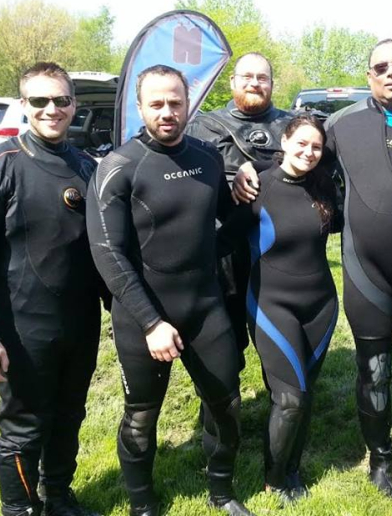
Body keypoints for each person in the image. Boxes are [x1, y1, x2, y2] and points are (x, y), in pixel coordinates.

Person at [235, 39, 392, 499]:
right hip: (365, 272)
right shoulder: (341, 124)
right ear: (369, 75)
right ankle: (380, 461)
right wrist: (243, 172)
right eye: (380, 67)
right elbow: (298, 160)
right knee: (373, 371)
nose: (391, 72)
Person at [86, 65, 254, 516]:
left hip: (204, 306)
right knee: (141, 416)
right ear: (140, 107)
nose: (167, 112)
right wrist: (151, 321)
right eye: (156, 103)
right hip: (143, 317)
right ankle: (142, 503)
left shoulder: (207, 157)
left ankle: (221, 491)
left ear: (188, 104)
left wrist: (241, 193)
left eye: (175, 102)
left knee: (227, 405)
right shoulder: (118, 167)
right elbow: (109, 254)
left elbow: (226, 223)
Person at [0, 62, 105, 516]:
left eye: (61, 100)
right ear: (23, 105)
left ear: (74, 105)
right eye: (40, 101)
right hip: (20, 325)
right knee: (25, 427)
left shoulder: (87, 168)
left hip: (79, 322)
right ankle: (19, 509)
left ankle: (58, 497)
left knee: (69, 416)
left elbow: (105, 248)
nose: (51, 109)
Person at [218, 114, 340, 505]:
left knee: (305, 392)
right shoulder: (257, 188)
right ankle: (274, 479)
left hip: (321, 305)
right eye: (301, 143)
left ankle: (292, 466)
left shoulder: (324, 186)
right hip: (272, 305)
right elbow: (219, 242)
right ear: (284, 142)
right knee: (290, 398)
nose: (308, 152)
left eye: (316, 147)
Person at [186, 52, 292, 365]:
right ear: (233, 81)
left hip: (279, 249)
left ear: (272, 84)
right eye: (247, 76)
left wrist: (256, 165)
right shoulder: (202, 127)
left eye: (262, 78)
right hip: (224, 251)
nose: (254, 83)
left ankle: (283, 403)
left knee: (280, 341)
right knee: (225, 345)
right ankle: (222, 410)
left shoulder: (291, 125)